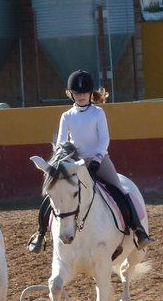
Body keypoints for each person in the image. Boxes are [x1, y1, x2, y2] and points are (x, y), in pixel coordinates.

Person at [27, 70, 151, 252]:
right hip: (74, 163)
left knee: (119, 190)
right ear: (71, 94)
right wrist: (60, 159)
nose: (81, 96)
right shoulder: (67, 116)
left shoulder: (98, 113)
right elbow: (61, 141)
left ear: (90, 93)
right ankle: (40, 233)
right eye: (77, 93)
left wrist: (98, 158)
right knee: (52, 194)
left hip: (99, 160)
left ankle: (138, 230)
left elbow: (104, 139)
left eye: (84, 92)